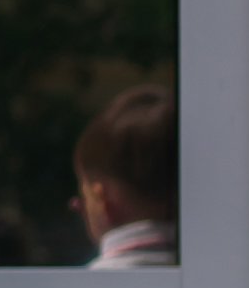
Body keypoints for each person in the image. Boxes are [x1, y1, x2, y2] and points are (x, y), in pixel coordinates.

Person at [71, 84, 177, 267]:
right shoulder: (220, 275)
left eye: (83, 198)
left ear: (100, 199)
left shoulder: (84, 287)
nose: (77, 206)